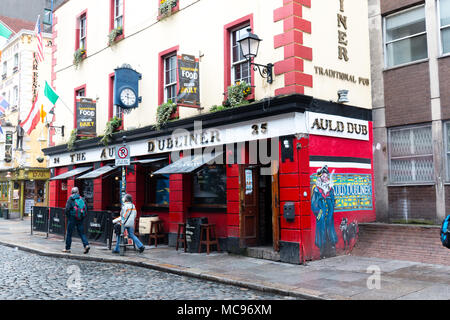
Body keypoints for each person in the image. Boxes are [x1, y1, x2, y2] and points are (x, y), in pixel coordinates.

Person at [311, 165, 338, 258]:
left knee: (330, 230)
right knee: (321, 231)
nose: (325, 178)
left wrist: (331, 209)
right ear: (320, 177)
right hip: (321, 214)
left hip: (329, 214)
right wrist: (319, 214)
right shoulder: (316, 189)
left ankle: (332, 249)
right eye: (323, 176)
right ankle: (322, 251)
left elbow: (334, 200)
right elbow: (314, 204)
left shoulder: (330, 189)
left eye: (326, 176)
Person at [63, 187, 90, 254]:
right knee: (82, 233)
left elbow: (67, 209)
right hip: (80, 218)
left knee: (69, 233)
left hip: (72, 218)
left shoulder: (71, 198)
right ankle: (86, 245)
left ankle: (67, 248)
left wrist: (68, 216)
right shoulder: (82, 198)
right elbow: (86, 208)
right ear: (78, 192)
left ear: (72, 192)